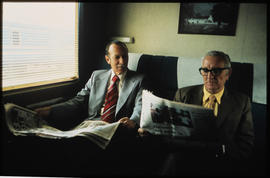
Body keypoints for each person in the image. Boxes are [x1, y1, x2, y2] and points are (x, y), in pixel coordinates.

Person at [33, 40, 147, 175]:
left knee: (77, 146)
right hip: (90, 123)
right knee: (54, 141)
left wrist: (133, 121)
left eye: (125, 56)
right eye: (117, 57)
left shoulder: (139, 79)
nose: (122, 61)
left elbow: (141, 106)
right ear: (107, 59)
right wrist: (51, 110)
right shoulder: (96, 76)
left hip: (115, 127)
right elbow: (78, 101)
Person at [138, 50, 254, 175]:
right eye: (205, 70)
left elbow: (245, 146)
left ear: (228, 73)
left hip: (220, 160)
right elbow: (170, 133)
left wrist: (223, 150)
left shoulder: (242, 102)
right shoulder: (183, 94)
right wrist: (150, 132)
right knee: (172, 161)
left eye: (216, 71)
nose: (210, 76)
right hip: (186, 156)